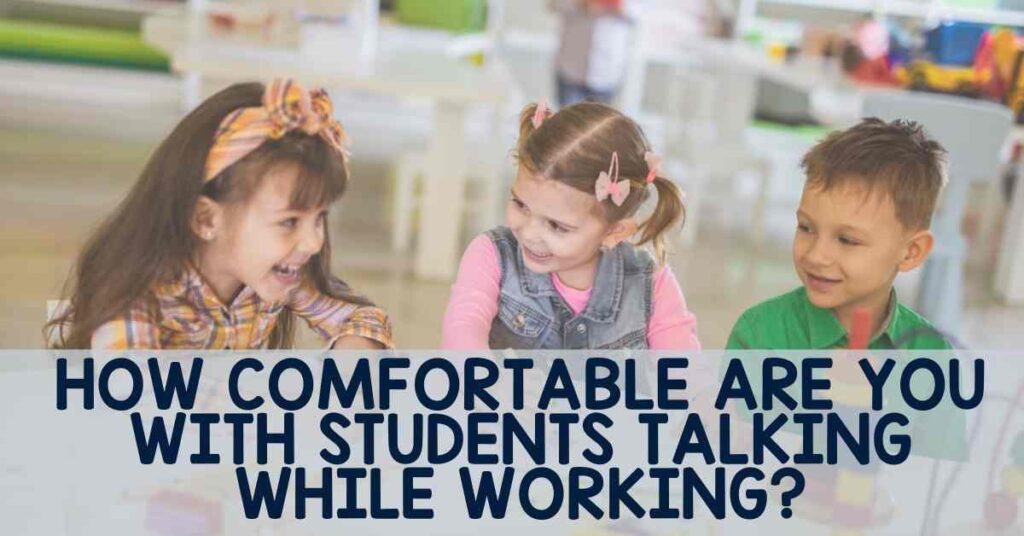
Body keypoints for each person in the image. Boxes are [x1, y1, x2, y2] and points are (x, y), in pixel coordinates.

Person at [47, 79, 392, 350]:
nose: (314, 241)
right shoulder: (132, 296)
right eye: (289, 221)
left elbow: (361, 318)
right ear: (207, 219)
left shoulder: (276, 275)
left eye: (320, 218)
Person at [442, 101, 699, 350]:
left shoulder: (651, 284)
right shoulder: (491, 255)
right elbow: (463, 336)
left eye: (556, 226)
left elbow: (685, 377)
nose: (529, 233)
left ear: (614, 232)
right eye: (521, 205)